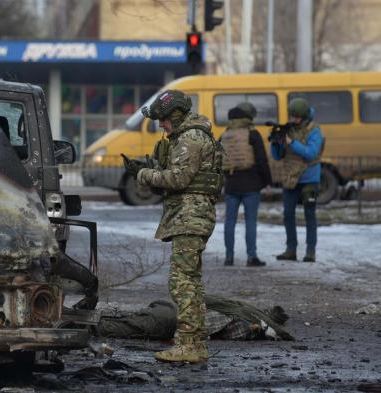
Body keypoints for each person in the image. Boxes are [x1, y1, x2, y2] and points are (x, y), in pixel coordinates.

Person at [122, 90, 223, 363]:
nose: (161, 125)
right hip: (190, 216)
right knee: (190, 282)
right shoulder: (190, 136)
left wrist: (143, 174)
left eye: (164, 119)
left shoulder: (190, 138)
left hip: (190, 217)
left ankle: (189, 345)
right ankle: (194, 342)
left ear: (176, 115)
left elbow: (179, 179)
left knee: (181, 283)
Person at [93, 294, 293, 342]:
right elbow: (234, 332)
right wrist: (258, 332)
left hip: (168, 308)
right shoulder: (244, 321)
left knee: (120, 318)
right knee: (114, 328)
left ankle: (75, 319)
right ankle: (79, 328)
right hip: (170, 322)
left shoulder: (235, 306)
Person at [271, 98, 324, 263]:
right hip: (290, 178)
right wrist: (276, 142)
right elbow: (277, 156)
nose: (293, 120)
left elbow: (310, 153)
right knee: (288, 214)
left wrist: (290, 142)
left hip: (309, 178)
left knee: (309, 214)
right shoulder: (289, 129)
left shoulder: (314, 130)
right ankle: (291, 249)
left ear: (304, 116)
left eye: (296, 118)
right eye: (291, 117)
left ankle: (310, 251)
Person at [220, 102, 272, 267]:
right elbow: (262, 160)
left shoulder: (224, 135)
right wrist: (267, 182)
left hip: (231, 184)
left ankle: (229, 257)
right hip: (251, 184)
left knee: (230, 221)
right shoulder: (252, 134)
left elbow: (216, 159)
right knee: (250, 221)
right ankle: (251, 257)